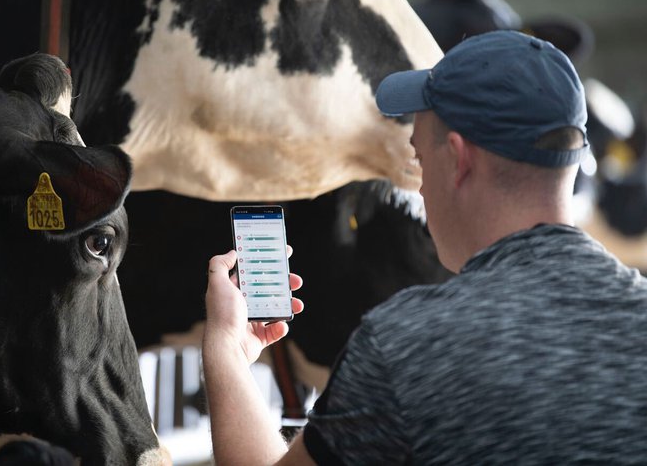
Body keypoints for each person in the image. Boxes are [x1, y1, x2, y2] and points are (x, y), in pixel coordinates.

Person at [202, 30, 647, 464]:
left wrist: (228, 349)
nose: (419, 188)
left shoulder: (406, 345)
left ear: (458, 159)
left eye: (417, 157)